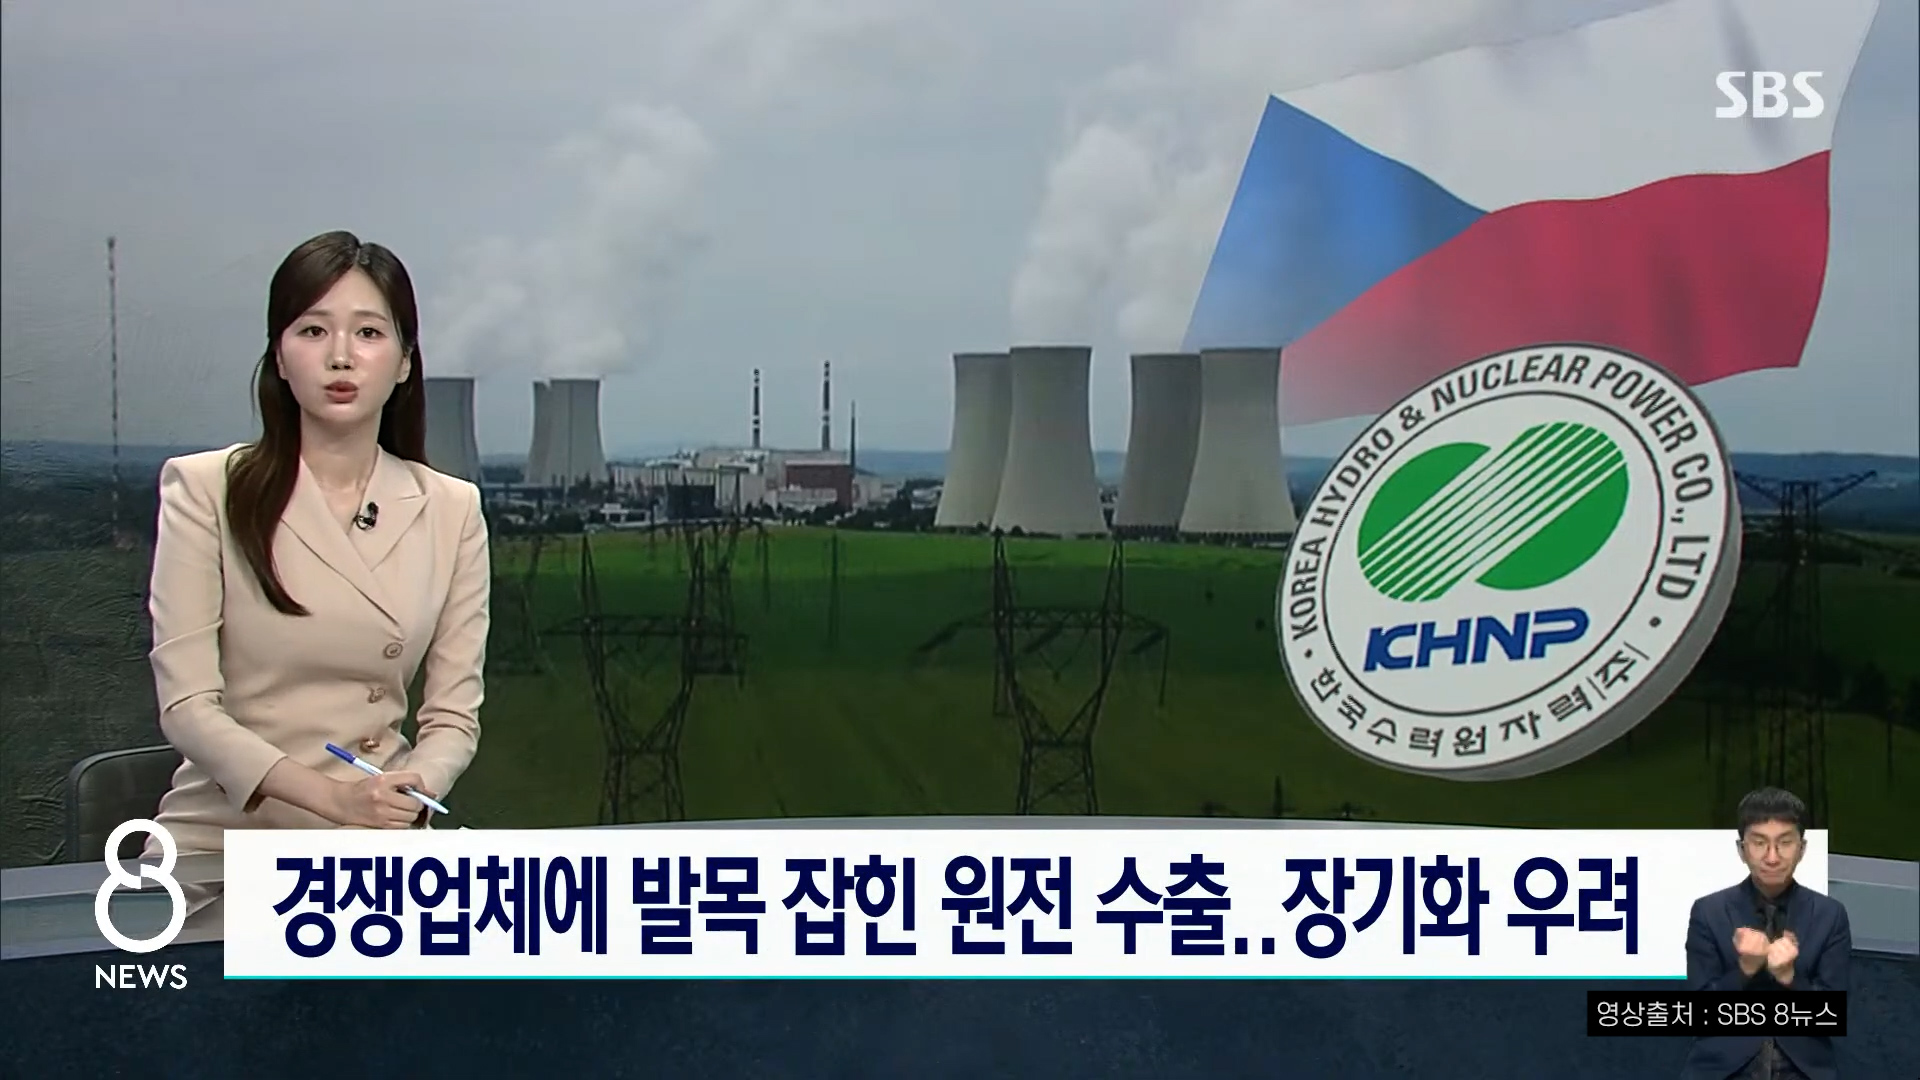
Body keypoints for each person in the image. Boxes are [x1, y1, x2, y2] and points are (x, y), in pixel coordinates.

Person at [143, 230, 489, 927]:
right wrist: (332, 801)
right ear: (280, 355)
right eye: (313, 330)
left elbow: (452, 717)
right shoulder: (206, 490)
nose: (340, 356)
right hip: (227, 848)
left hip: (379, 848)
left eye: (368, 333)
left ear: (404, 362)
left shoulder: (452, 509)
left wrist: (408, 791)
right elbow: (188, 707)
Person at [1681, 787, 1851, 1080]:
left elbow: (1834, 1016)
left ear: (1802, 849)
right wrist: (1744, 971)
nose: (1772, 857)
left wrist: (1790, 978)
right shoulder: (1709, 911)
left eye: (1784, 843)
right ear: (1741, 849)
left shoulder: (1829, 915)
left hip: (1803, 1070)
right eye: (1759, 843)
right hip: (1724, 1069)